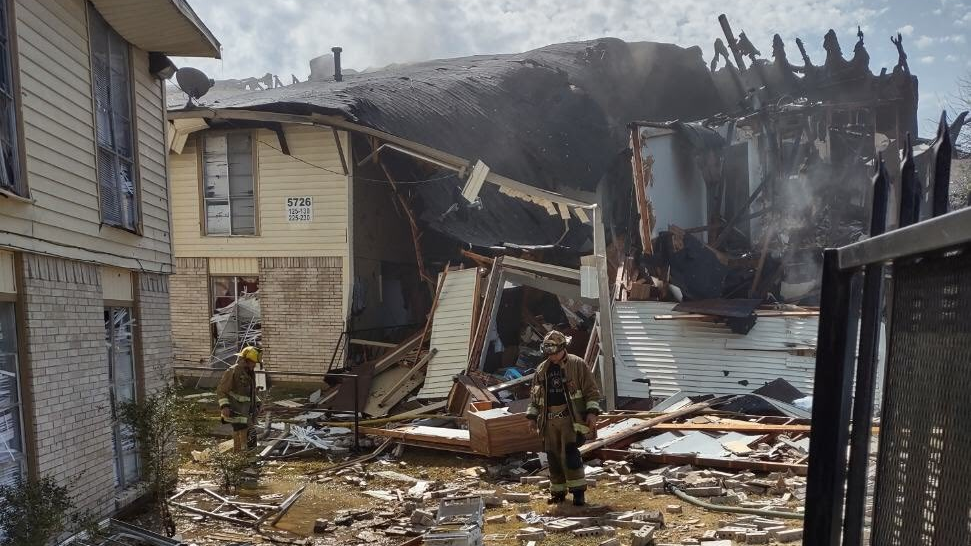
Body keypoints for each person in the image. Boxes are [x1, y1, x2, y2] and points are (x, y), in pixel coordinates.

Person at [526, 331, 602, 506]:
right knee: (552, 456)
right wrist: (531, 417)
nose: (552, 357)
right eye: (549, 353)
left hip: (570, 418)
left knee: (570, 455)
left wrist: (591, 413)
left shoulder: (577, 364)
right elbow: (535, 398)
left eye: (554, 353)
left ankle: (578, 494)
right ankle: (558, 493)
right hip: (549, 420)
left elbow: (592, 391)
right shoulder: (542, 369)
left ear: (562, 348)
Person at [216, 346, 262, 452]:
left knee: (246, 435)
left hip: (245, 412)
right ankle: (242, 459)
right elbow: (221, 390)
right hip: (235, 411)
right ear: (246, 360)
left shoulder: (249, 373)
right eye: (253, 362)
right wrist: (224, 406)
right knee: (244, 436)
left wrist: (258, 403)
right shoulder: (233, 371)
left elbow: (250, 392)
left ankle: (243, 459)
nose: (254, 365)